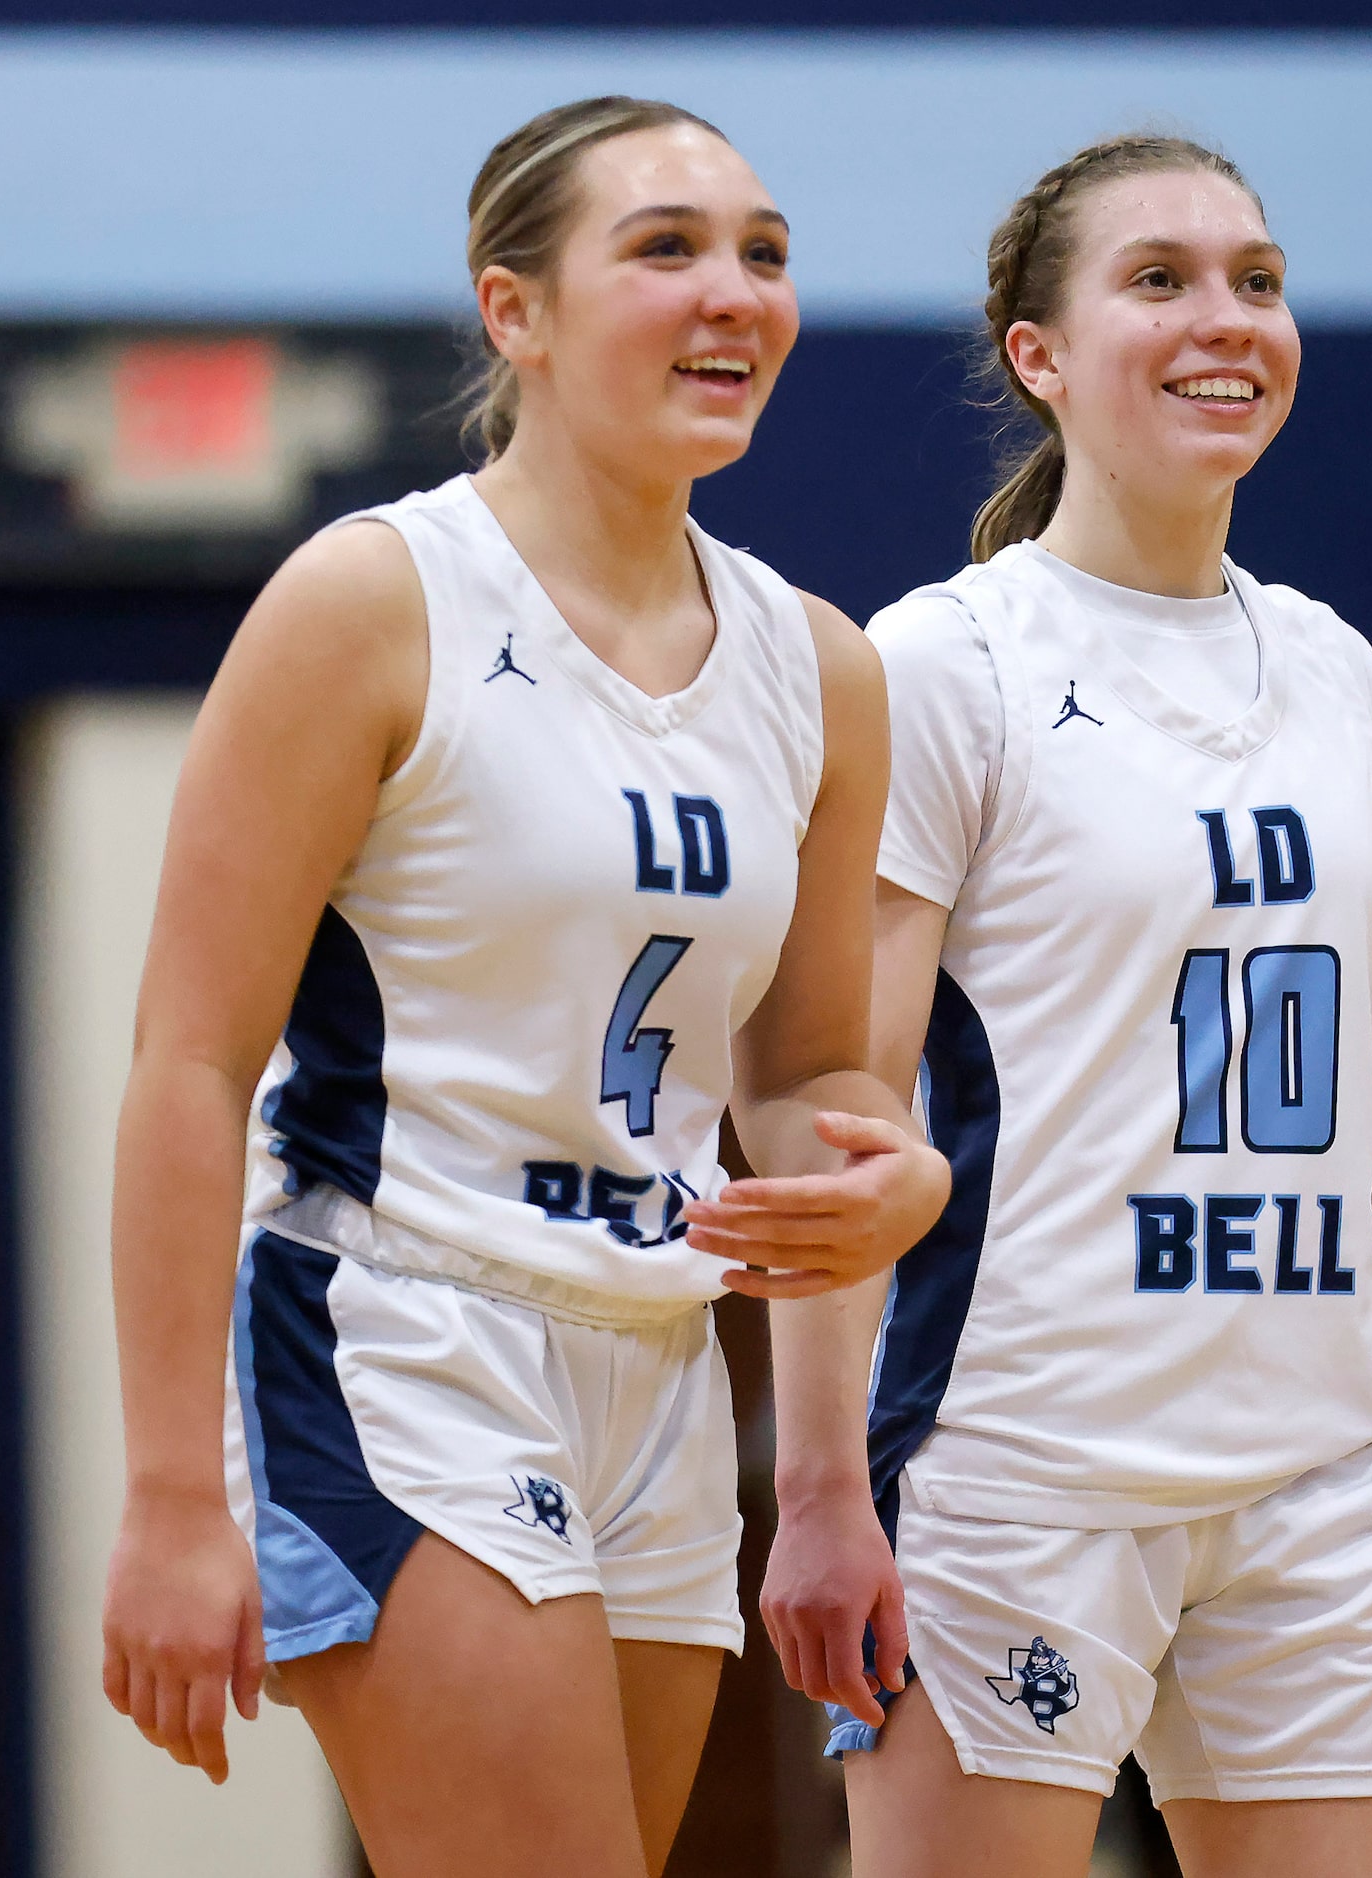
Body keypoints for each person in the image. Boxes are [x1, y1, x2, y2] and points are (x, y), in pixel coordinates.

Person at [730, 134, 1372, 1878]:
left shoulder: (1332, 666)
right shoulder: (947, 661)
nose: (1226, 318)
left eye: (1257, 279)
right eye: (1160, 279)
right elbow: (846, 1099)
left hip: (1308, 1475)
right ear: (1037, 356)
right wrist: (820, 1483)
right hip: (1014, 1466)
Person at [96, 97, 950, 1878]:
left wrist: (890, 1173)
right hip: (405, 1326)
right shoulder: (370, 599)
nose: (734, 292)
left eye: (764, 253)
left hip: (653, 1352)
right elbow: (187, 1061)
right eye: (666, 249)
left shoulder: (823, 670)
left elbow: (801, 1079)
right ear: (516, 312)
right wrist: (175, 1496)